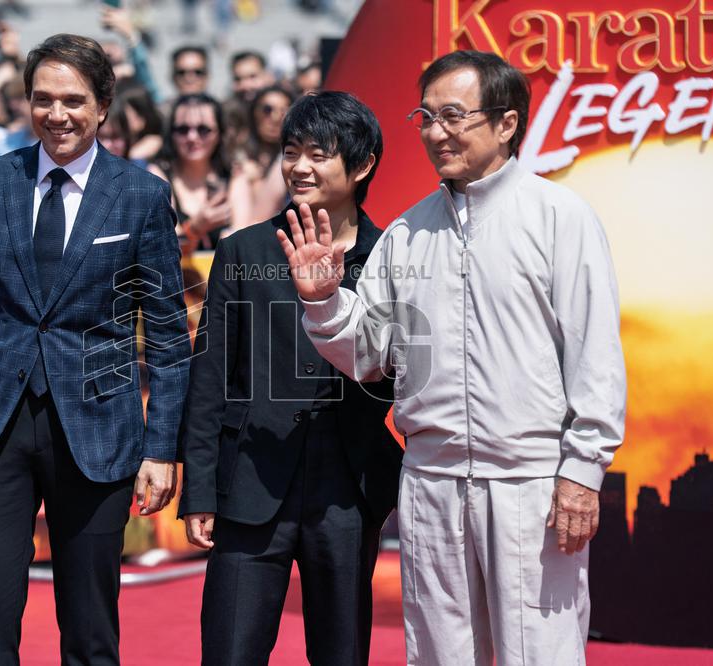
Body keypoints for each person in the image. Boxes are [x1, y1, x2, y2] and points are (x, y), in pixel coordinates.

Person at [277, 51, 626, 665]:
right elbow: (371, 353)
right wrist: (324, 302)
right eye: (426, 117)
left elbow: (594, 355)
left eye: (453, 116)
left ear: (507, 123)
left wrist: (582, 472)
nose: (436, 133)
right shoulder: (408, 232)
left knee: (539, 653)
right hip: (431, 483)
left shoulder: (559, 218)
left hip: (533, 484)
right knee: (441, 653)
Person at [0, 34, 191, 665]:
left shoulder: (140, 194)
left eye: (73, 100)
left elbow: (168, 335)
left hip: (98, 426)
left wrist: (162, 448)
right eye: (43, 99)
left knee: (91, 629)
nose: (57, 114)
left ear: (103, 106)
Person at [179, 91, 403, 665]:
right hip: (250, 477)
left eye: (318, 154)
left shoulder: (390, 258)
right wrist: (199, 488)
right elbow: (209, 378)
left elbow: (399, 374)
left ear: (362, 165)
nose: (299, 167)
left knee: (341, 653)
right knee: (230, 651)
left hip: (348, 488)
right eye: (291, 151)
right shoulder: (244, 251)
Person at [147, 93, 251, 253]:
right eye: (183, 129)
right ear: (171, 134)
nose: (192, 137)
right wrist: (195, 229)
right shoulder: (157, 175)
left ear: (220, 133)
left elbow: (242, 243)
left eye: (203, 129)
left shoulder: (235, 175)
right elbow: (164, 248)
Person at [242, 85, 294, 222]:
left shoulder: (299, 163)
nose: (275, 117)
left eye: (284, 111)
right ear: (254, 113)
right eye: (267, 109)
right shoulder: (239, 159)